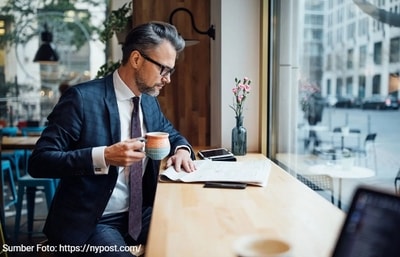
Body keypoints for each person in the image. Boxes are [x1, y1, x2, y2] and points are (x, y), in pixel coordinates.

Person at [28, 21, 196, 256]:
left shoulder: (148, 101)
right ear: (136, 59)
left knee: (195, 237)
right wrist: (104, 156)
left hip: (141, 213)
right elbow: (39, 161)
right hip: (94, 220)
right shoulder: (82, 99)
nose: (168, 79)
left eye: (171, 71)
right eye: (163, 69)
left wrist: (182, 150)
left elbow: (171, 133)